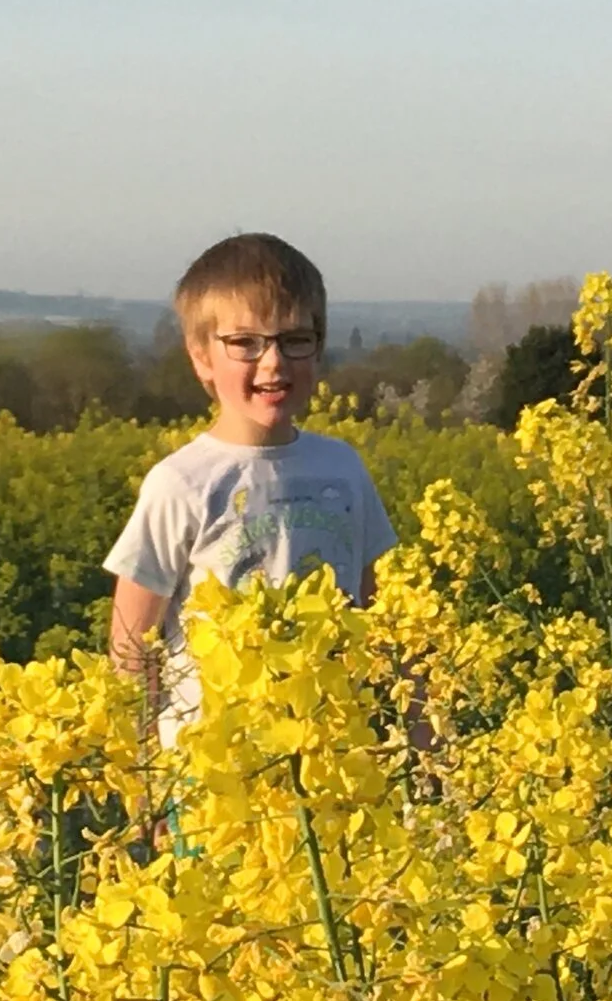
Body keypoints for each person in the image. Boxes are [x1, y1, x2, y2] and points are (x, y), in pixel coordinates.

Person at [104, 232, 396, 745]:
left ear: (319, 347)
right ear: (200, 357)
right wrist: (144, 780)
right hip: (213, 769)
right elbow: (132, 644)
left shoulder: (343, 469)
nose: (273, 362)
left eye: (295, 340)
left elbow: (383, 616)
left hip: (327, 755)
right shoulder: (182, 483)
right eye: (244, 343)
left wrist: (419, 744)